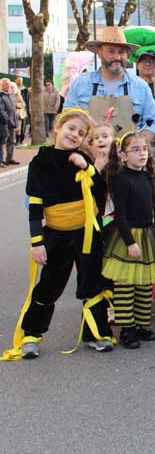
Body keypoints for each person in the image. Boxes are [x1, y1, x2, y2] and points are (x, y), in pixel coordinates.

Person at [1, 108, 114, 361]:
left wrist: (89, 169)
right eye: (71, 128)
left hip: (86, 234)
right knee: (49, 286)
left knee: (92, 283)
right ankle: (31, 335)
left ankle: (96, 333)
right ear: (57, 128)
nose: (74, 135)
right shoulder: (40, 162)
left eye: (81, 133)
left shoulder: (82, 158)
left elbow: (100, 192)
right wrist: (37, 243)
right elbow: (35, 207)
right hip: (57, 235)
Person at [102, 131, 155, 349]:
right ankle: (127, 329)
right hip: (128, 236)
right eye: (135, 150)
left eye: (145, 149)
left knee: (145, 284)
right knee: (126, 285)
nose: (142, 153)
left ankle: (141, 325)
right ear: (124, 155)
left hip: (148, 235)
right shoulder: (121, 179)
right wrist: (129, 242)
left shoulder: (148, 175)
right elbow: (120, 215)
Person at [65, 27, 155, 144]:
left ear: (127, 54)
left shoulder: (141, 87)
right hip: (87, 152)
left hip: (127, 154)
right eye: (111, 51)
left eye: (121, 52)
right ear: (99, 52)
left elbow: (152, 123)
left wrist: (137, 144)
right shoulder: (81, 84)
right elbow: (67, 118)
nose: (117, 57)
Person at [0, 78, 19, 167]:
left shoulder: (10, 95)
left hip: (12, 122)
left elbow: (13, 108)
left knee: (11, 141)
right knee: (2, 142)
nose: (9, 86)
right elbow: (2, 110)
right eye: (7, 84)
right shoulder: (1, 95)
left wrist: (15, 119)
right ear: (2, 85)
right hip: (4, 123)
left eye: (9, 84)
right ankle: (1, 160)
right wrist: (6, 119)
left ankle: (9, 158)